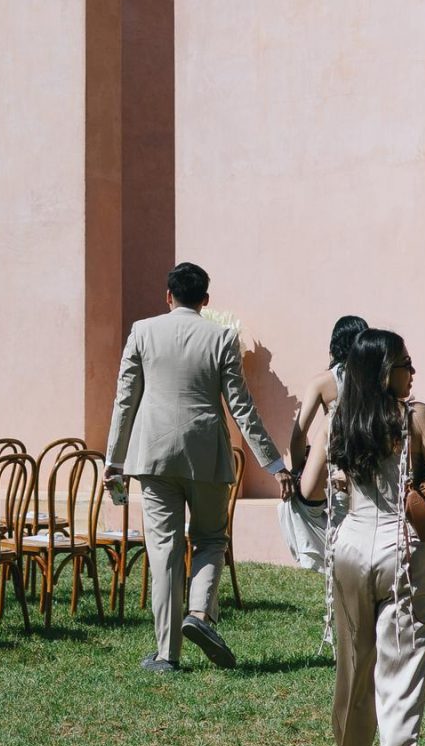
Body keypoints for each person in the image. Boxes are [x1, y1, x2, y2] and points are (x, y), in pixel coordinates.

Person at [297, 328, 425, 746]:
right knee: (402, 676)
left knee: (354, 667)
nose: (413, 372)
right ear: (386, 370)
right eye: (406, 363)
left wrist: (346, 477)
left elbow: (308, 487)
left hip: (350, 546)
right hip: (404, 551)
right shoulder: (413, 416)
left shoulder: (342, 418)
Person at [106, 261, 292, 673]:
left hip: (152, 455)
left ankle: (167, 654)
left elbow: (125, 400)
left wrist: (113, 461)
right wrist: (274, 461)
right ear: (205, 300)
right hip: (206, 453)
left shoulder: (142, 331)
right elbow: (241, 408)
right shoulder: (222, 338)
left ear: (167, 296)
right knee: (210, 538)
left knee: (164, 552)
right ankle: (199, 615)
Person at [280, 312, 369, 569]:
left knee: (335, 539)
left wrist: (299, 470)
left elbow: (299, 433)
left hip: (332, 472)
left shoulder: (323, 382)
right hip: (365, 469)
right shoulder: (373, 381)